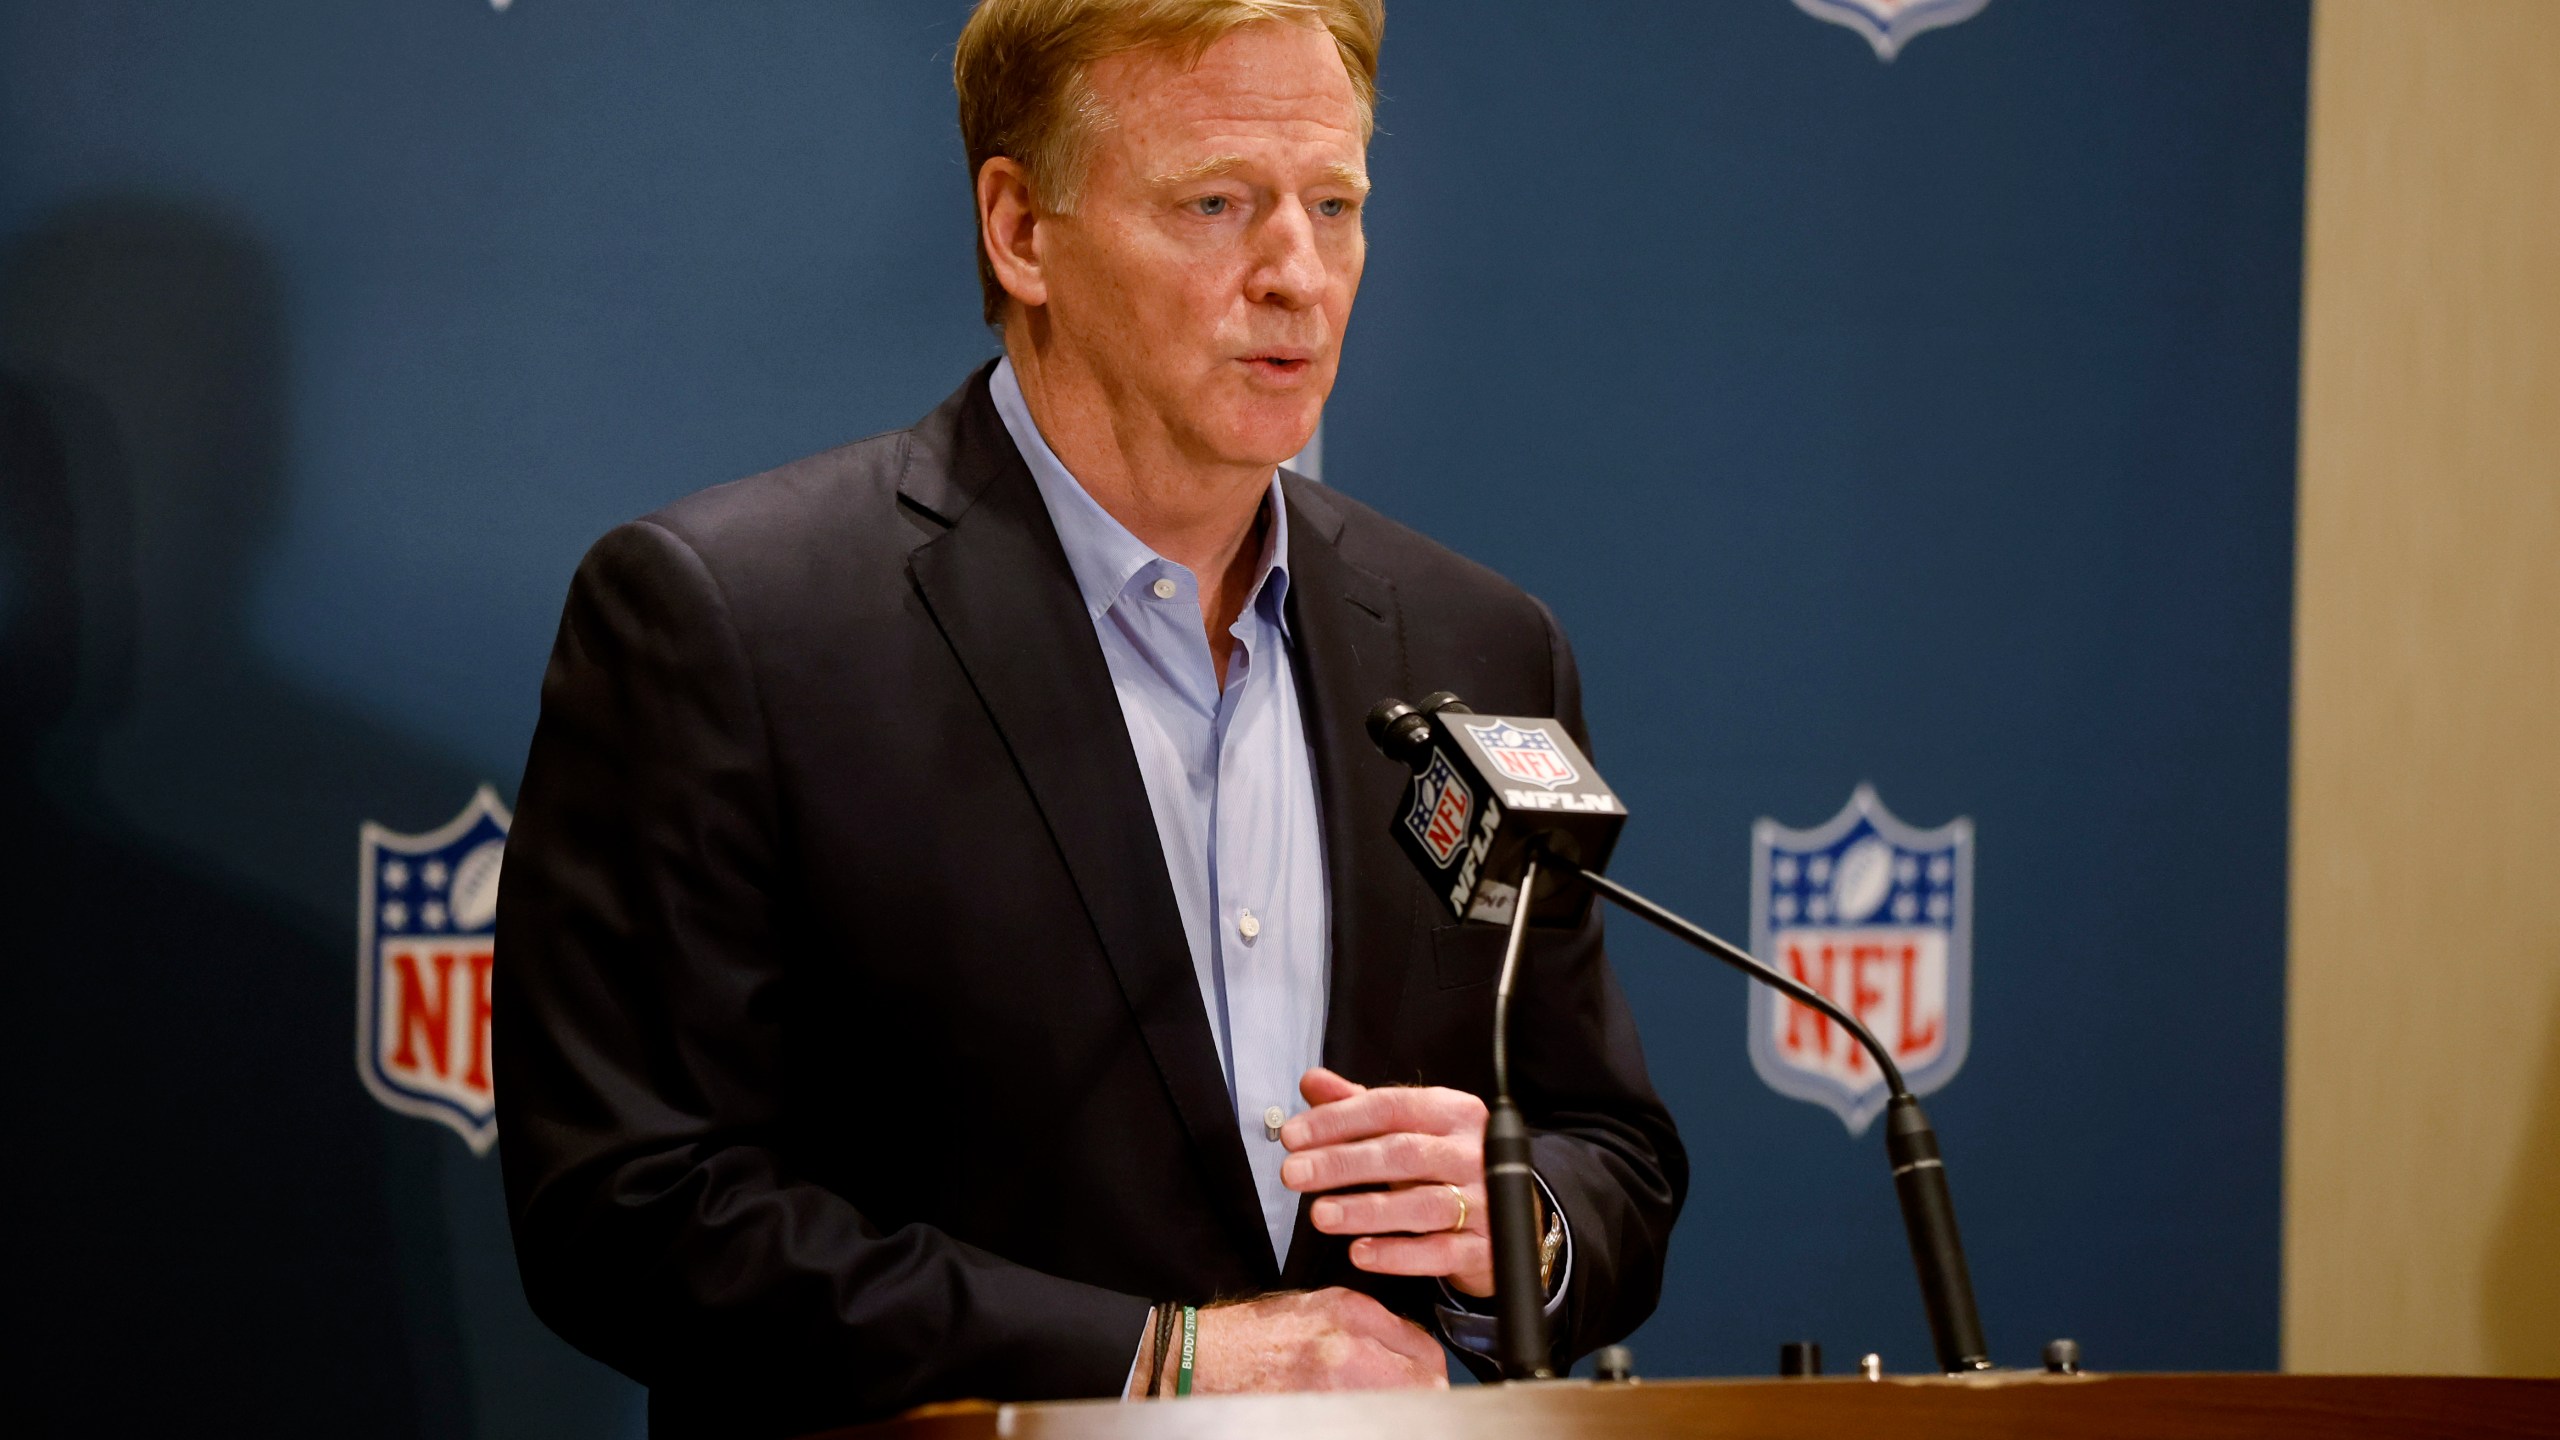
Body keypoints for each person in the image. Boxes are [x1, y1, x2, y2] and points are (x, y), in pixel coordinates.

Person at [494, 2, 1685, 1433]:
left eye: (1334, 205)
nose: (1297, 276)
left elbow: (1606, 1145)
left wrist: (1518, 1228)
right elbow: (629, 1212)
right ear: (1022, 231)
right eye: (1217, 204)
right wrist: (1159, 1362)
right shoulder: (732, 623)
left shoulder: (1479, 644)